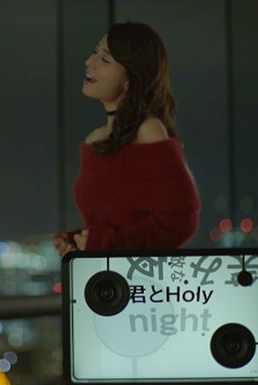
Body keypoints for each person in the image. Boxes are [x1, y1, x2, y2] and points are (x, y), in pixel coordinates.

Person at [52, 22, 200, 257]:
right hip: (103, 274)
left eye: (105, 59)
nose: (89, 62)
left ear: (130, 78)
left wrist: (103, 243)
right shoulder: (93, 140)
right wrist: (79, 241)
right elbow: (113, 225)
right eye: (94, 52)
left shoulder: (148, 131)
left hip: (140, 276)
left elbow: (180, 221)